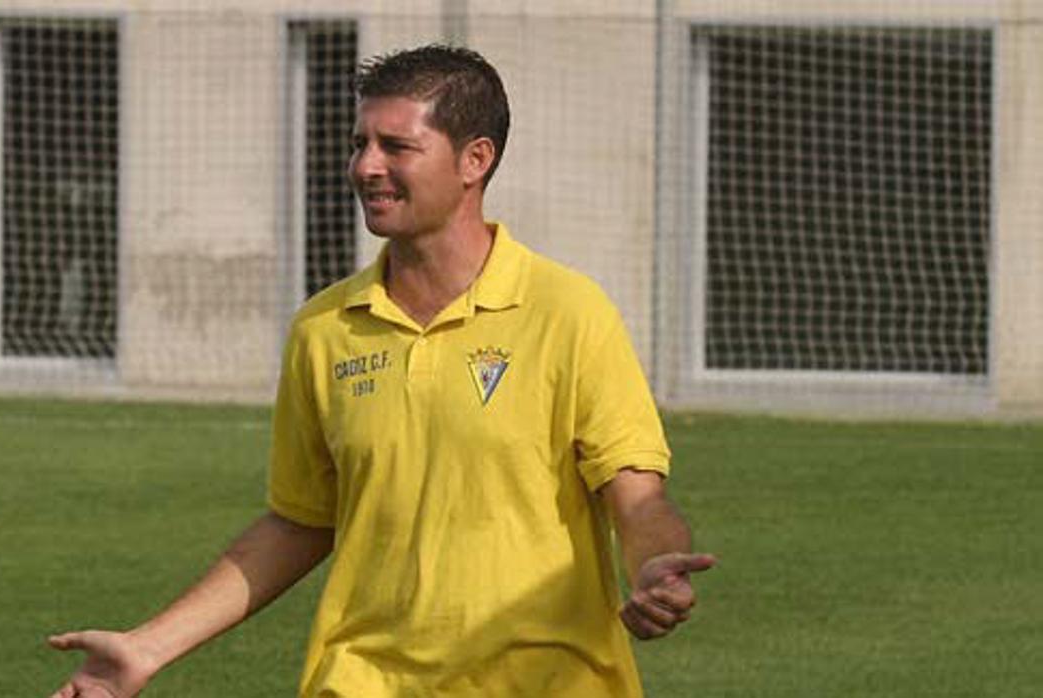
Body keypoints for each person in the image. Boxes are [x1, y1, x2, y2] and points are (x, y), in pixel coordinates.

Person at [47, 44, 715, 698]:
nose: (366, 165)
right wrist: (147, 645)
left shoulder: (568, 311)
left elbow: (635, 494)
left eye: (396, 146)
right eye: (360, 142)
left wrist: (653, 564)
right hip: (362, 680)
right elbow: (302, 519)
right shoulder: (324, 329)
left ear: (474, 160)